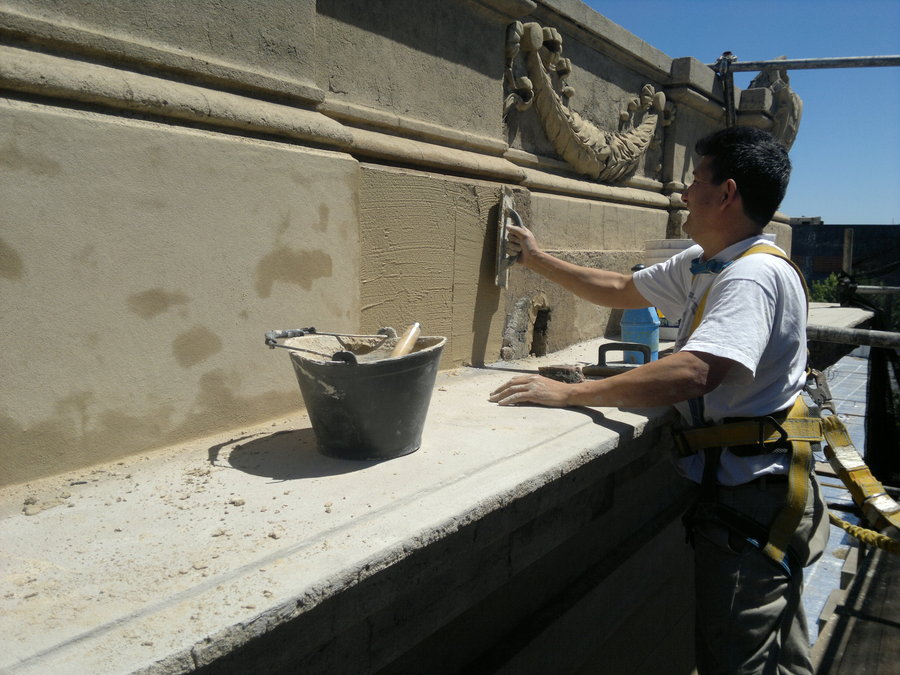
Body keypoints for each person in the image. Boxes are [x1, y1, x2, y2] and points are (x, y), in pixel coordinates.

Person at [489, 126, 829, 674]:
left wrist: (574, 393)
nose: (683, 193)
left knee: (738, 662)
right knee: (778, 655)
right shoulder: (709, 261)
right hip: (762, 488)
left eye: (696, 181)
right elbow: (621, 289)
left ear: (727, 194)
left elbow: (696, 372)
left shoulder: (750, 276)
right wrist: (535, 259)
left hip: (753, 497)